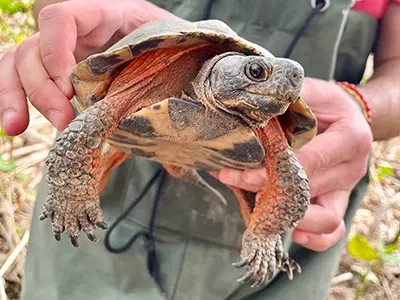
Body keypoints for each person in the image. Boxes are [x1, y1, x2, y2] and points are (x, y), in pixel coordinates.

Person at [0, 0, 399, 299]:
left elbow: (290, 180)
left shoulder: (264, 117)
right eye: (256, 72)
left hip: (271, 271)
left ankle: (260, 239)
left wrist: (364, 107)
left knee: (286, 180)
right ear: (217, 67)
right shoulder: (164, 65)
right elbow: (54, 11)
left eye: (284, 86)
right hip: (98, 231)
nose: (280, 84)